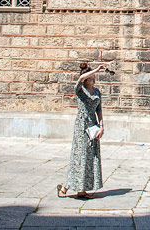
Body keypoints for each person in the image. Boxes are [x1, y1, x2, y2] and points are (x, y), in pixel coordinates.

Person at [57, 62, 108, 199]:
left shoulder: (97, 92)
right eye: (91, 77)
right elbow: (79, 80)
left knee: (90, 157)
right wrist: (96, 68)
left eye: (94, 77)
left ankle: (82, 190)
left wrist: (101, 126)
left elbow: (99, 110)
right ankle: (65, 188)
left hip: (93, 125)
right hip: (82, 125)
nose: (93, 79)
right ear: (86, 79)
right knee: (79, 156)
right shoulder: (80, 89)